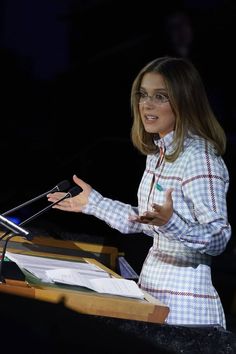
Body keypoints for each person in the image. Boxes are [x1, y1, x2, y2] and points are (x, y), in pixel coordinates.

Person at [47, 56, 231, 328]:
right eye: (143, 95)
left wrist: (172, 223)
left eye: (160, 96)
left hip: (186, 311)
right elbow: (147, 222)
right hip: (153, 294)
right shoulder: (158, 154)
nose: (147, 104)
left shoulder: (199, 157)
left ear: (184, 101)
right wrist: (93, 203)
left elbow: (218, 237)